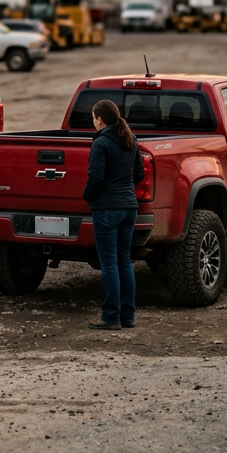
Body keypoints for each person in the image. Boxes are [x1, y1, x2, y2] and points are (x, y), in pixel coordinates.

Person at [82, 99, 144, 330]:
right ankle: (127, 316)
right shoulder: (130, 139)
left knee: (109, 263)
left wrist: (87, 196)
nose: (93, 121)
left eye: (93, 117)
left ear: (99, 119)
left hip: (107, 208)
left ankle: (111, 317)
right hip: (129, 208)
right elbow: (138, 174)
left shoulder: (101, 143)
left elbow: (95, 178)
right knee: (124, 261)